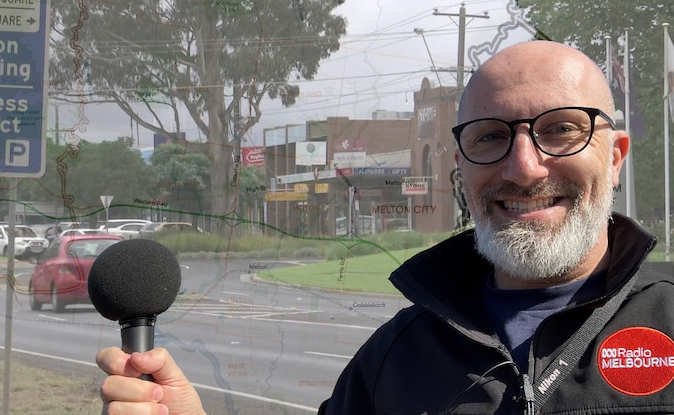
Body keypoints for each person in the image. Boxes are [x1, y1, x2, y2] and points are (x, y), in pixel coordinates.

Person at [95, 41, 674, 414]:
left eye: (561, 129)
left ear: (616, 156)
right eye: (491, 137)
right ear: (461, 168)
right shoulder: (393, 357)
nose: (523, 167)